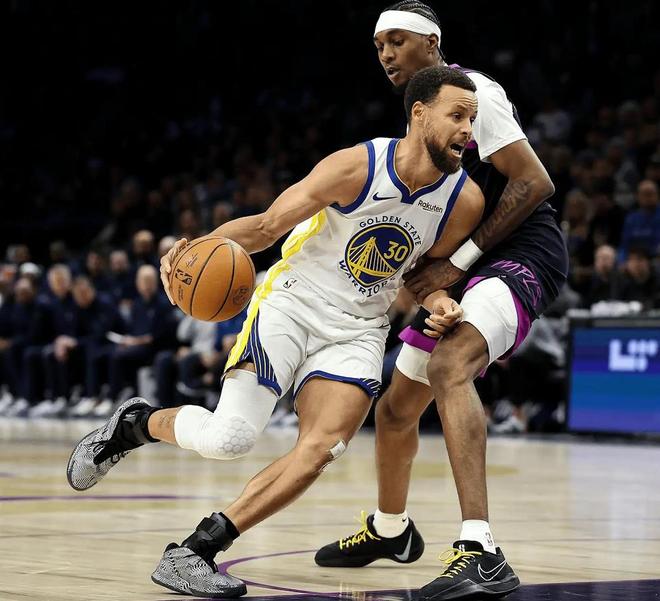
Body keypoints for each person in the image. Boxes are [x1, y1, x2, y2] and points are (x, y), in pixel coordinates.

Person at [67, 66, 484, 597]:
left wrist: (440, 301)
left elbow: (421, 277)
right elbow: (266, 227)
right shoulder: (356, 167)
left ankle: (195, 552)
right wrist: (194, 251)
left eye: (472, 119)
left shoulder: (463, 201)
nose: (467, 130)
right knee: (229, 439)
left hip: (358, 330)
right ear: (419, 114)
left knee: (323, 448)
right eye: (457, 115)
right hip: (292, 304)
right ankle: (135, 425)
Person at [315, 4, 568, 600]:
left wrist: (454, 264)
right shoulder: (423, 114)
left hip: (521, 253)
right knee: (396, 409)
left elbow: (534, 182)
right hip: (463, 264)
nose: (386, 54)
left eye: (397, 41)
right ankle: (391, 530)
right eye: (378, 45)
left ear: (431, 43)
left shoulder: (473, 92)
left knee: (450, 365)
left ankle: (481, 552)